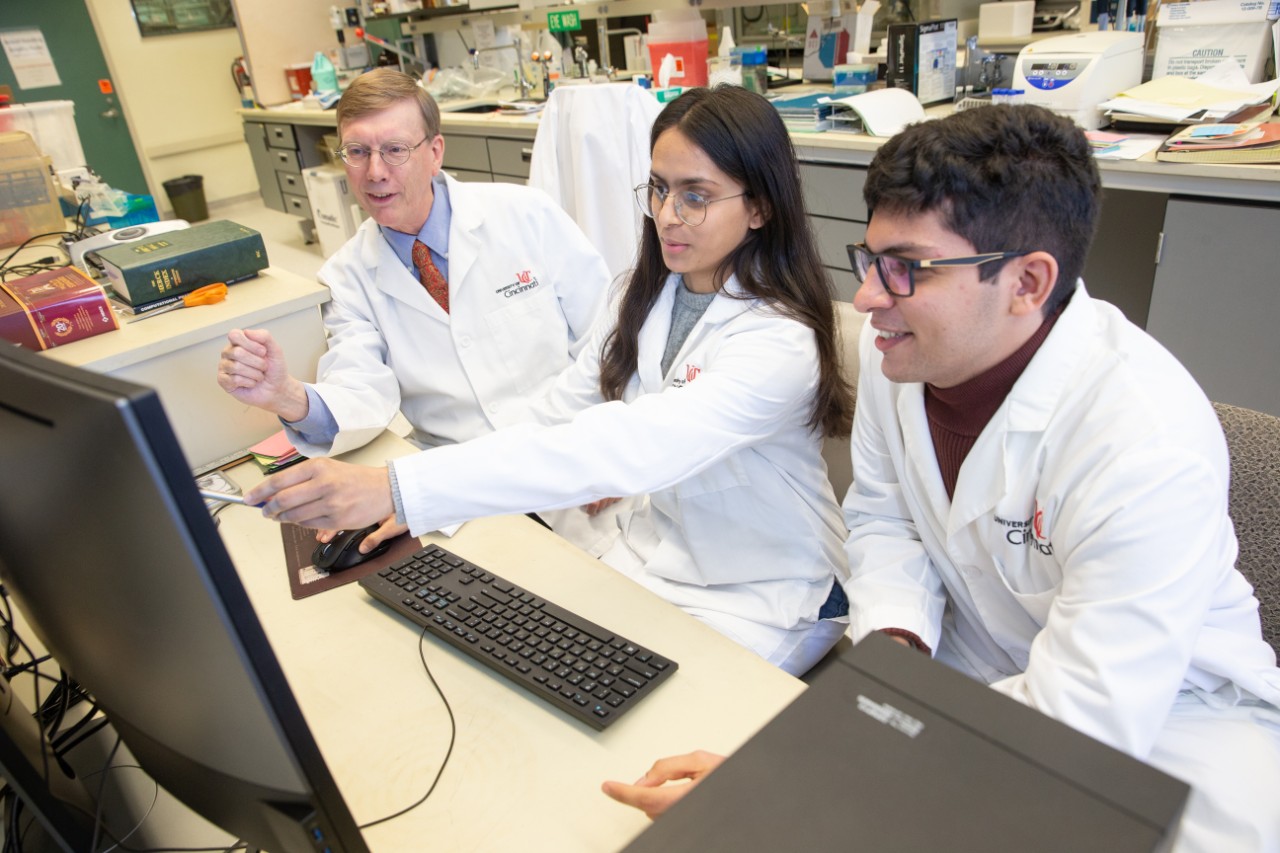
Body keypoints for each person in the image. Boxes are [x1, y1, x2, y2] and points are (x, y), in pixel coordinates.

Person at [604, 105, 1280, 851]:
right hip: (972, 671)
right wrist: (895, 646)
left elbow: (1084, 721)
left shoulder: (1143, 442)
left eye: (908, 269)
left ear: (1027, 281)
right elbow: (886, 516)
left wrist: (796, 779)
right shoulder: (906, 355)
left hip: (1172, 729)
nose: (865, 299)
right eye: (871, 259)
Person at [244, 85, 855, 675]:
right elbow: (555, 412)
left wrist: (400, 487)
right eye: (661, 189)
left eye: (696, 195)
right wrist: (418, 495)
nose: (668, 215)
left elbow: (635, 444)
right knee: (521, 658)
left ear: (759, 206)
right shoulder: (641, 296)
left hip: (768, 589)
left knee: (643, 719)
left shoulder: (778, 339)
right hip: (657, 553)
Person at [216, 68, 610, 546]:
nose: (375, 172)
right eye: (357, 152)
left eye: (395, 150)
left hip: (578, 463)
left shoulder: (526, 214)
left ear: (435, 152)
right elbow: (362, 388)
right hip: (464, 491)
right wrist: (288, 397)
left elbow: (609, 336)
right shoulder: (347, 276)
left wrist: (604, 450)